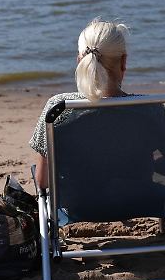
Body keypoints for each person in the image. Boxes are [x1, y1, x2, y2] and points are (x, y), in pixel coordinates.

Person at [28, 19, 130, 190]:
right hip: (138, 199)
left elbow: (43, 181)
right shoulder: (150, 109)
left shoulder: (58, 109)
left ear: (79, 61)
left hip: (76, 201)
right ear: (123, 62)